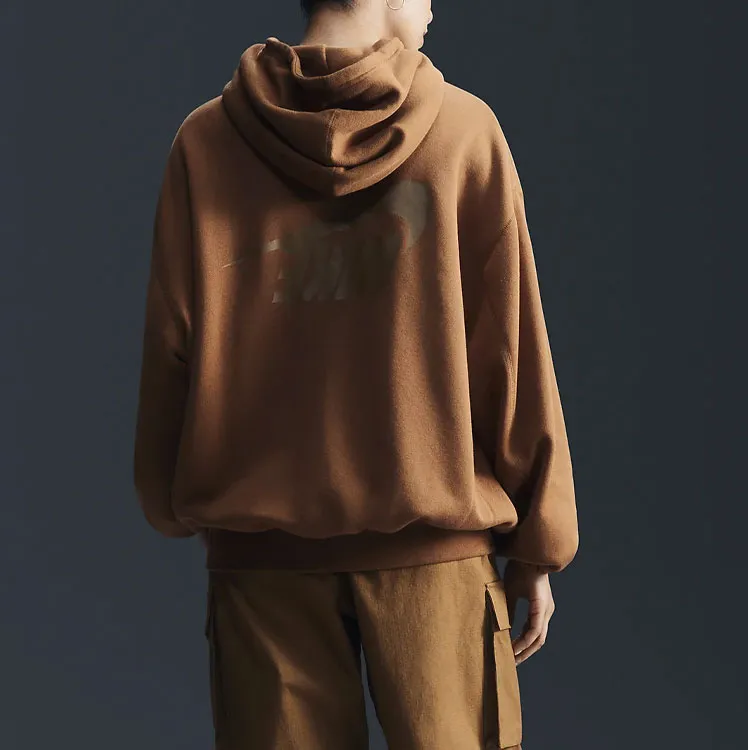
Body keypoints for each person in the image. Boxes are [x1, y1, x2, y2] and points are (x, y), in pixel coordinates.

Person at [132, 0, 579, 747]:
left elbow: (173, 343)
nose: (433, 6)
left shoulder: (206, 140)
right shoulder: (463, 131)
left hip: (261, 565)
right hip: (433, 555)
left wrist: (172, 500)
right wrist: (540, 541)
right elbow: (508, 351)